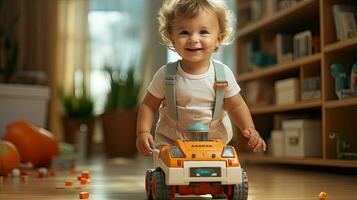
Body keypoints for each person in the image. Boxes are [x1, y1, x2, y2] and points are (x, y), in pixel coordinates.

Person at [136, 0, 266, 159]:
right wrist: (142, 132)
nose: (193, 39)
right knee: (169, 171)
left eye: (203, 32)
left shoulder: (223, 74)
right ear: (172, 38)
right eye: (184, 32)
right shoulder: (165, 74)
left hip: (213, 143)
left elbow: (236, 105)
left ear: (219, 38)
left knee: (222, 169)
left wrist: (250, 129)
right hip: (172, 142)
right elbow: (149, 105)